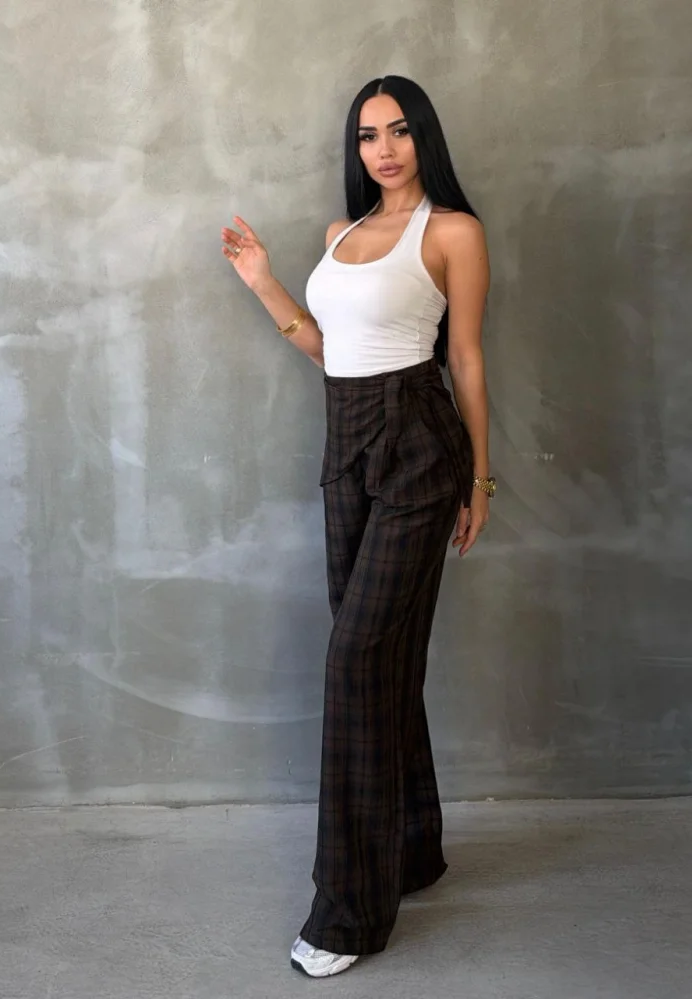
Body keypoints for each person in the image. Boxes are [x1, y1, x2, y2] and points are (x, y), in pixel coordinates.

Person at [221, 74, 494, 978]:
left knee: (356, 663)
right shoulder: (340, 234)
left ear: (425, 138)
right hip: (346, 449)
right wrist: (263, 282)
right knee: (385, 661)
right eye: (370, 134)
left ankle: (347, 914)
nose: (384, 148)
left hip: (418, 449)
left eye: (401, 130)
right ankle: (411, 849)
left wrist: (480, 478)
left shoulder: (451, 232)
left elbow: (465, 358)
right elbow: (328, 348)